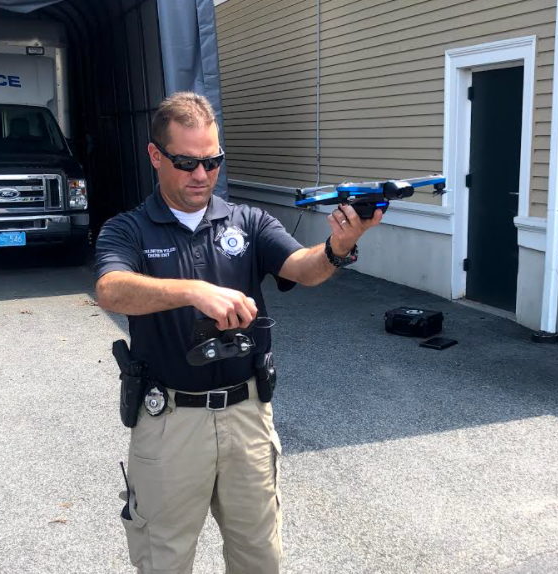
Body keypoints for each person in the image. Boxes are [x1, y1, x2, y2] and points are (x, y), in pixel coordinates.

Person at [94, 91, 383, 574]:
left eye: (212, 161)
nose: (201, 175)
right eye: (186, 162)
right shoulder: (129, 229)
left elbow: (302, 267)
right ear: (155, 156)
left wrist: (338, 246)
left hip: (247, 414)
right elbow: (111, 289)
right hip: (170, 422)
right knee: (163, 559)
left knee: (259, 558)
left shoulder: (248, 221)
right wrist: (192, 291)